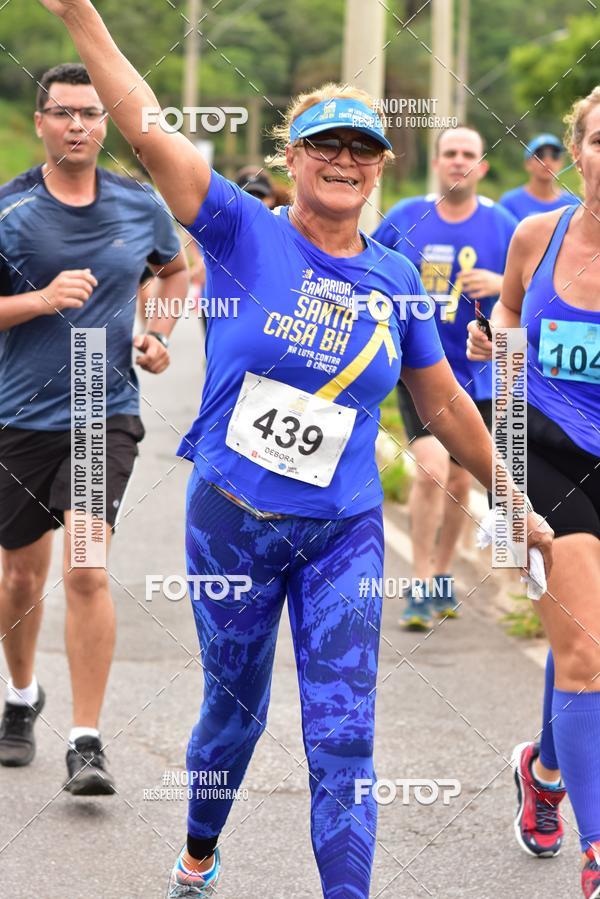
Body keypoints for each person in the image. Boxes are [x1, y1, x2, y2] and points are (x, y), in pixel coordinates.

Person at [38, 3, 553, 896]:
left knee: (345, 732)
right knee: (232, 717)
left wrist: (509, 493)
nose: (345, 161)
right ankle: (200, 850)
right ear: (294, 159)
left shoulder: (394, 279)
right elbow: (146, 122)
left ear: (382, 166)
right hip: (232, 522)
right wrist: (82, 15)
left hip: (343, 531)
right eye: (326, 145)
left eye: (362, 148)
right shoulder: (241, 230)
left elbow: (438, 399)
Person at [0, 62, 188, 794]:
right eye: (63, 114)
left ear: (105, 123)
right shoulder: (12, 210)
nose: (77, 125)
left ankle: (86, 739)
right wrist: (41, 299)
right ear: (41, 123)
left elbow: (174, 272)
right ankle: (21, 697)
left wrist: (157, 330)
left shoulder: (139, 206)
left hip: (98, 409)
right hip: (18, 414)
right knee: (20, 575)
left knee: (84, 566)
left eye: (89, 113)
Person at [468, 90, 600, 899]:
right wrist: (508, 484)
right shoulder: (534, 236)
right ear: (577, 154)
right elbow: (511, 320)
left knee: (581, 637)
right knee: (585, 652)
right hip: (548, 455)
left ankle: (543, 767)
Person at [372, 127, 517, 629]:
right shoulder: (408, 216)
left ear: (482, 167)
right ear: (436, 163)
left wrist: (501, 283)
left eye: (468, 155)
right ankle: (420, 583)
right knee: (432, 469)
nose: (459, 162)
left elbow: (535, 281)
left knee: (460, 479)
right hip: (420, 368)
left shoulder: (503, 224)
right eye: (450, 153)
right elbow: (367, 265)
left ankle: (441, 578)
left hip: (478, 374)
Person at [500, 133, 579, 222]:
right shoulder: (509, 203)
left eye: (554, 155)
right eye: (540, 155)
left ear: (561, 162)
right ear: (527, 163)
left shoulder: (574, 203)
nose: (547, 161)